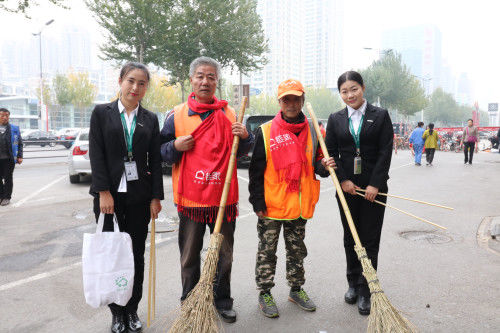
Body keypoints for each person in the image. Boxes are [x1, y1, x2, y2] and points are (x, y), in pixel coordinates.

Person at [160, 56, 254, 323]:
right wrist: (175, 147)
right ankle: (190, 301)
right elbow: (160, 152)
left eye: (211, 76)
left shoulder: (230, 114)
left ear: (217, 81)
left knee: (224, 255)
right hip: (191, 199)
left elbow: (245, 151)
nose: (205, 81)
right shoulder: (176, 115)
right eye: (200, 76)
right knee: (189, 256)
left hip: (223, 199)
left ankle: (222, 300)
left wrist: (246, 137)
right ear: (191, 80)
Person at [89, 62, 164, 333]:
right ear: (120, 80)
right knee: (112, 256)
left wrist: (156, 197)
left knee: (135, 256)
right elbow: (95, 154)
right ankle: (116, 313)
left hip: (138, 199)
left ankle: (132, 309)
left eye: (142, 83)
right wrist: (103, 192)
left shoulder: (150, 119)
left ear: (146, 88)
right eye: (131, 81)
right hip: (109, 198)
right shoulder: (101, 113)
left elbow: (155, 161)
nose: (135, 87)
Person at [248, 79, 333, 318]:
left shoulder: (314, 130)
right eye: (287, 99)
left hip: (299, 204)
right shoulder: (265, 131)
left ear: (302, 101)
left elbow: (317, 165)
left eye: (296, 99)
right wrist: (257, 202)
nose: (292, 104)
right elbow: (255, 171)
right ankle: (265, 292)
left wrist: (325, 166)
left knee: (297, 251)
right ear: (280, 102)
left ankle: (296, 289)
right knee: (267, 251)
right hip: (272, 205)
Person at [324, 71, 393, 316]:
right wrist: (343, 180)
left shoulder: (380, 116)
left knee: (369, 239)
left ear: (363, 88)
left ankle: (366, 288)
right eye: (344, 91)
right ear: (340, 94)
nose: (350, 94)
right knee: (350, 239)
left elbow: (386, 152)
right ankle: (353, 283)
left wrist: (375, 184)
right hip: (347, 191)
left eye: (354, 89)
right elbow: (330, 153)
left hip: (374, 190)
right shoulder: (335, 119)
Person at [0, 108, 23, 206]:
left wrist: (20, 156)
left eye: (7, 115)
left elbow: (20, 143)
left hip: (9, 159)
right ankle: (1, 195)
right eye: (2, 115)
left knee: (8, 178)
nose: (5, 117)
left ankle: (6, 197)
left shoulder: (14, 129)